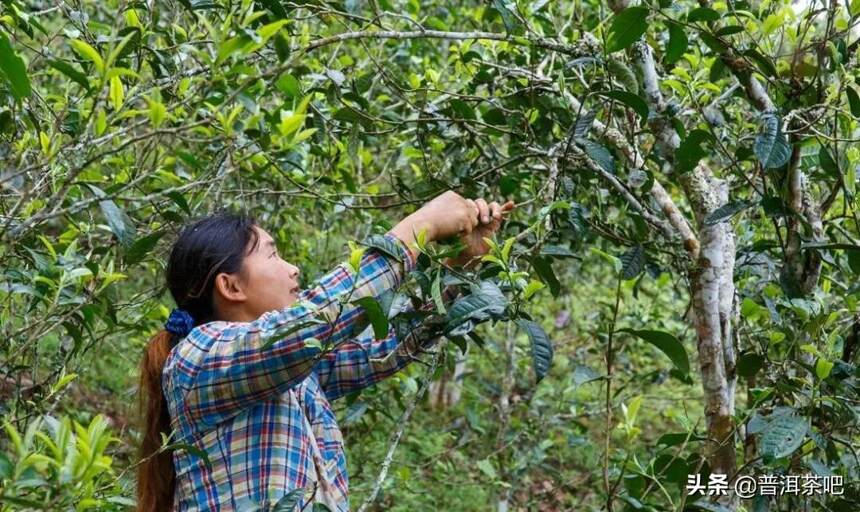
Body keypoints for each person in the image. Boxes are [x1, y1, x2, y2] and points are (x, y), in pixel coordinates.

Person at [137, 191, 515, 512]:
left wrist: (462, 265)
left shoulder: (296, 373)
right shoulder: (199, 356)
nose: (293, 268)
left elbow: (386, 345)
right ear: (231, 286)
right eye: (273, 255)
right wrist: (422, 225)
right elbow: (316, 319)